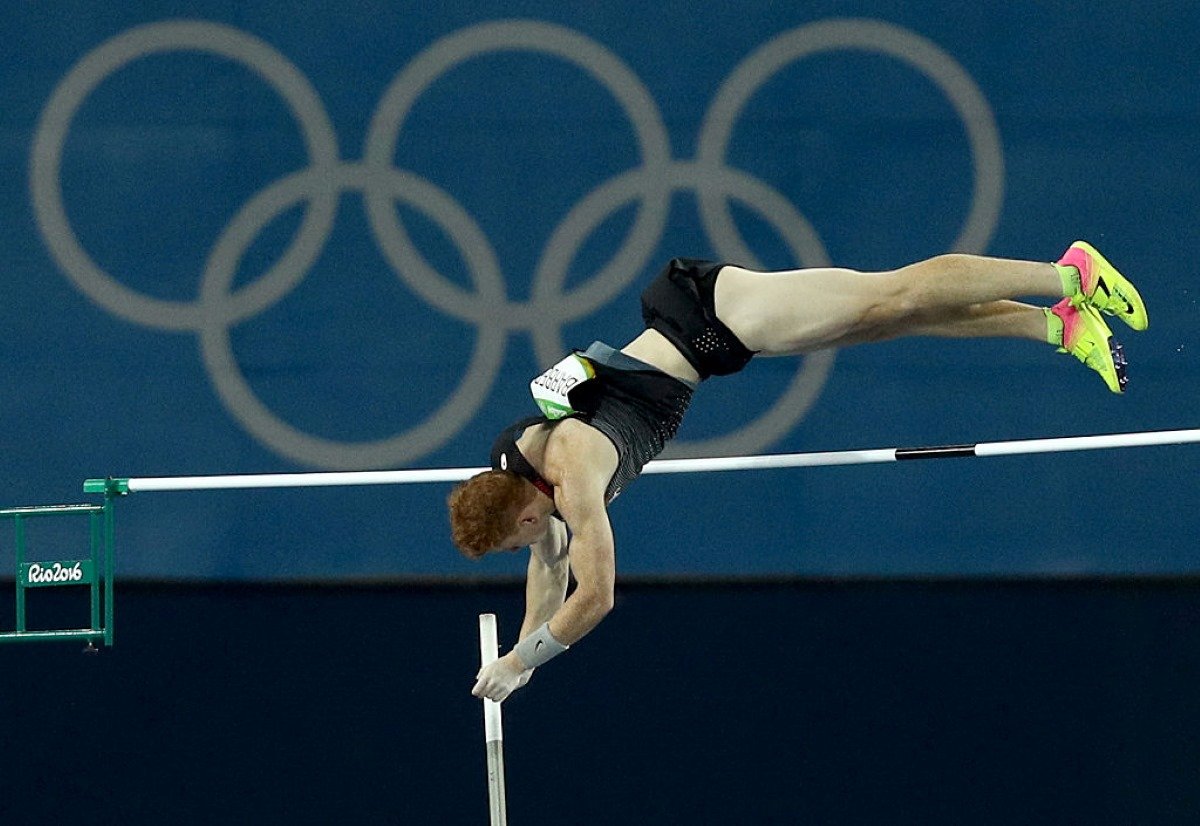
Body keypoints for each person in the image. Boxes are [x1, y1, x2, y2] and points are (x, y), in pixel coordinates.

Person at [453, 242, 1148, 702]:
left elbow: (594, 595)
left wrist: (525, 661)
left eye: (519, 538)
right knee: (886, 323)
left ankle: (1069, 273)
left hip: (711, 313)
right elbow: (549, 565)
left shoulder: (571, 476)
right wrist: (518, 656)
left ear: (522, 510)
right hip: (705, 338)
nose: (534, 542)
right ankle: (1055, 326)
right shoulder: (518, 476)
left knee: (892, 297)